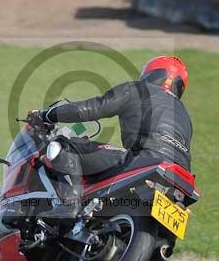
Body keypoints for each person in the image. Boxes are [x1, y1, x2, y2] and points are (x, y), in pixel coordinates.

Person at [29, 56, 192, 219]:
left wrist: (47, 115)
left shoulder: (138, 89)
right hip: (179, 178)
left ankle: (69, 205)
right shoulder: (185, 115)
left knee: (65, 146)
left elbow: (90, 109)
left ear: (151, 73)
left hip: (145, 159)